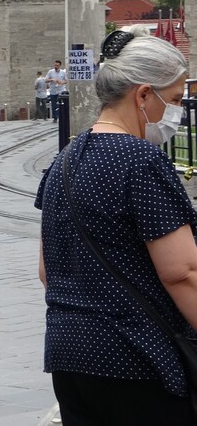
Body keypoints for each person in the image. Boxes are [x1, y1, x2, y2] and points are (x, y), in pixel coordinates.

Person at [36, 25, 197, 424]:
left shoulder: (65, 160)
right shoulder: (140, 160)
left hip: (69, 355)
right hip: (138, 357)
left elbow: (46, 271)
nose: (175, 111)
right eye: (174, 99)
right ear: (143, 94)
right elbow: (183, 272)